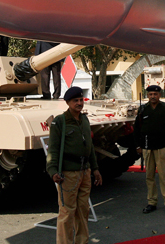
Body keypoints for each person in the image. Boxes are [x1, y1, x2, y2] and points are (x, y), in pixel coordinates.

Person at [46, 86, 102, 244]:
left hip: (85, 172)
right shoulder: (60, 122)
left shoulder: (84, 120)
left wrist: (95, 169)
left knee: (83, 211)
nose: (79, 103)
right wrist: (52, 171)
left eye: (81, 100)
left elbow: (89, 147)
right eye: (75, 100)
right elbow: (54, 149)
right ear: (68, 103)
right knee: (67, 212)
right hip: (68, 174)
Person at [134, 85, 165, 215]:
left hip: (162, 146)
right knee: (149, 176)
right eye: (150, 94)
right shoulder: (143, 109)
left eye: (155, 94)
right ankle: (151, 202)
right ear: (147, 95)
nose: (153, 96)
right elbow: (136, 129)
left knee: (164, 176)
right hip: (147, 146)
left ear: (160, 95)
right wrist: (138, 146)